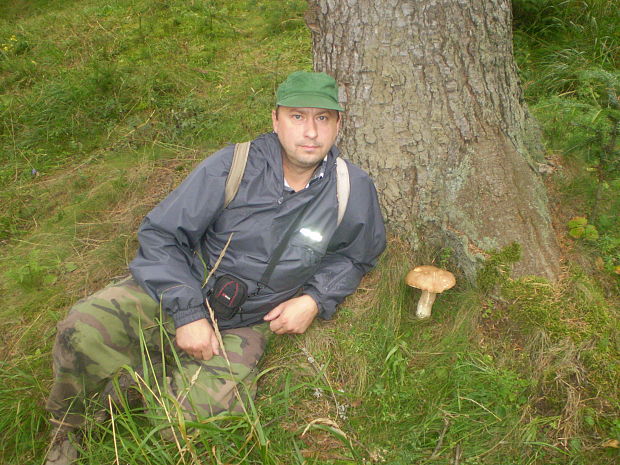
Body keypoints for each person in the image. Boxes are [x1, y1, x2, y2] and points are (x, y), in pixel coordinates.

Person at [44, 71, 386, 464]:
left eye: (322, 118)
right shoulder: (234, 165)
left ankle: (133, 388)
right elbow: (162, 234)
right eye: (297, 116)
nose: (310, 131)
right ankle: (70, 429)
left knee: (197, 424)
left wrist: (313, 298)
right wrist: (188, 313)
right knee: (81, 328)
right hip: (183, 290)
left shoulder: (350, 187)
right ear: (275, 120)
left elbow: (356, 256)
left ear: (338, 125)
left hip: (249, 320)